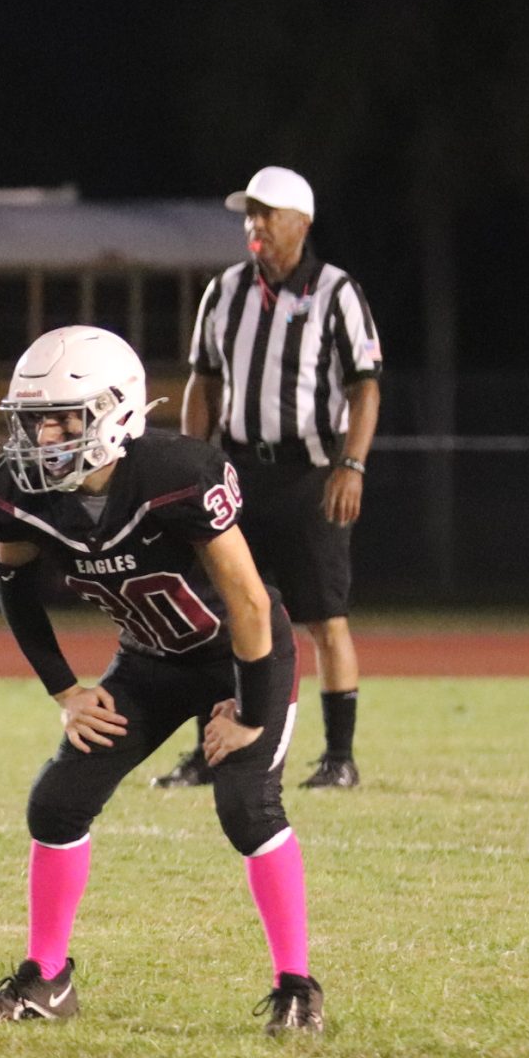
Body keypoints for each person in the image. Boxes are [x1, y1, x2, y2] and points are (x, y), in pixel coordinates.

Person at [0, 326, 324, 1035]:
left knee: (247, 808)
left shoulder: (175, 474)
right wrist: (66, 689)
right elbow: (14, 584)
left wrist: (248, 709)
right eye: (32, 421)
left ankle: (297, 987)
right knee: (57, 802)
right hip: (151, 660)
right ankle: (46, 979)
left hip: (239, 656)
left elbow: (249, 602)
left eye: (61, 417)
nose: (41, 436)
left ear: (115, 412)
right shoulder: (16, 492)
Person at [155, 165, 381, 791]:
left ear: (301, 223)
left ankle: (339, 758)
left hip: (310, 475)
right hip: (236, 474)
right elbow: (204, 382)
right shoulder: (224, 291)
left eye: (267, 213)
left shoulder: (337, 292)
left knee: (325, 618)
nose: (254, 224)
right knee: (217, 616)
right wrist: (191, 462)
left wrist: (351, 464)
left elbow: (365, 388)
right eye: (249, 213)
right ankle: (211, 750)